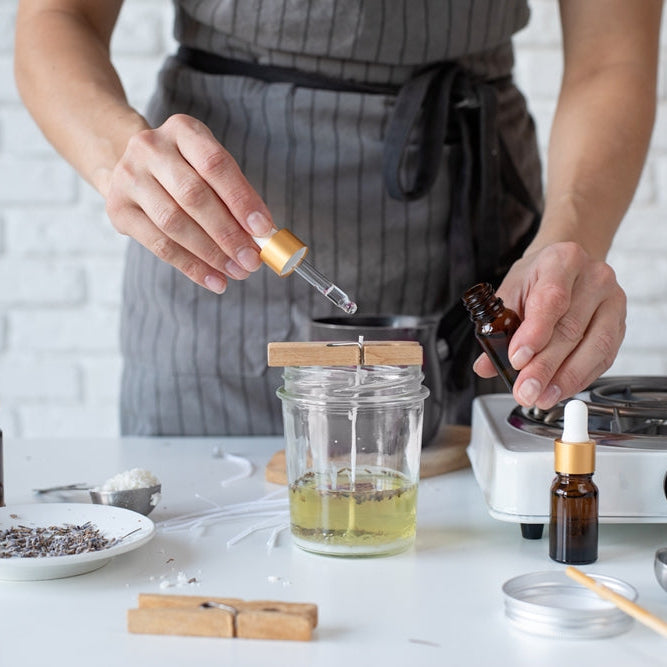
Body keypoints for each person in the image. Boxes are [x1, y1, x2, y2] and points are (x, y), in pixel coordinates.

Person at [14, 1, 661, 436]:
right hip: (216, 258)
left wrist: (567, 240)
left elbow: (613, 57)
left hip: (477, 230)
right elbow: (57, 15)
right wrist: (115, 154)